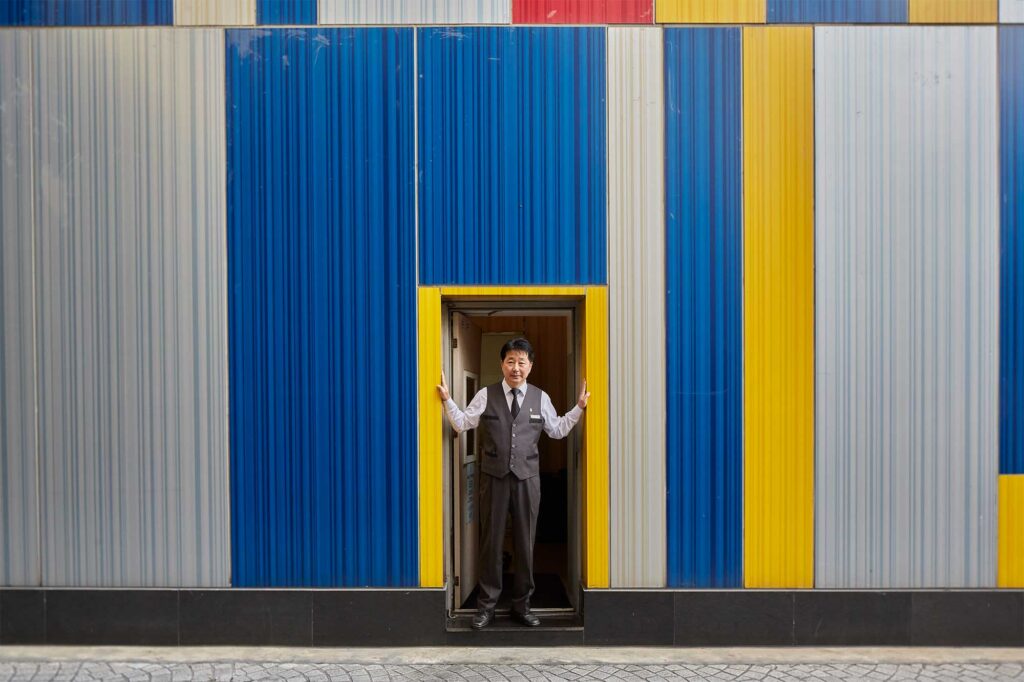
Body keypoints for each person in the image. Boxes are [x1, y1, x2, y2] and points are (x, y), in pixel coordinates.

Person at [437, 337, 590, 629]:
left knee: (525, 544)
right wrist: (447, 400)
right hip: (493, 480)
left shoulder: (540, 397)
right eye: (510, 361)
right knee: (491, 544)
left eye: (521, 362)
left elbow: (556, 430)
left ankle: (523, 605)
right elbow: (463, 423)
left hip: (527, 480)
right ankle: (486, 607)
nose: (515, 368)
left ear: (530, 366)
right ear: (502, 364)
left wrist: (579, 408)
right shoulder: (485, 394)